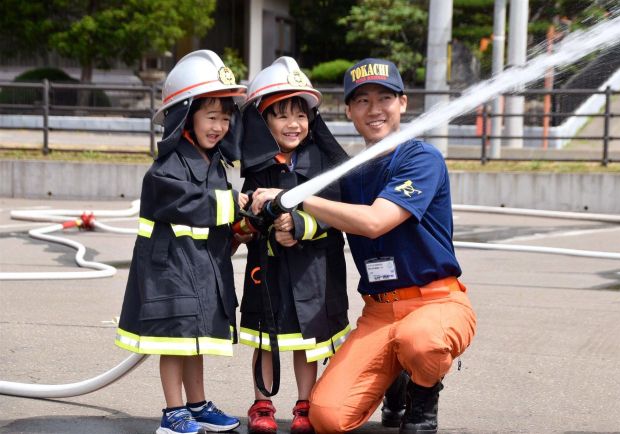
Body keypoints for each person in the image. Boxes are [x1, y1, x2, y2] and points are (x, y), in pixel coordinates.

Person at [251, 58, 477, 434]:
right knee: (327, 417)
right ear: (349, 111)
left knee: (420, 341)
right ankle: (397, 378)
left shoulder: (421, 158)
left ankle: (421, 404)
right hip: (378, 313)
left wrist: (293, 197)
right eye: (362, 101)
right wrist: (287, 224)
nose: (374, 110)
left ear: (403, 103)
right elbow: (326, 217)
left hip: (436, 301)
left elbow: (374, 222)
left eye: (384, 98)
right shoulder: (350, 173)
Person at [115, 50, 248, 434]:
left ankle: (197, 404)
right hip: (171, 271)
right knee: (174, 343)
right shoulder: (167, 167)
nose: (219, 126)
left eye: (225, 118)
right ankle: (174, 412)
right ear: (186, 116)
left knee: (197, 341)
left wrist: (241, 227)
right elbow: (189, 205)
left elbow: (217, 217)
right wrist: (231, 204)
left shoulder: (214, 163)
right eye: (211, 116)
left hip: (200, 269)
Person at [234, 56, 349, 434]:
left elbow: (337, 212)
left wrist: (302, 223)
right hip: (268, 269)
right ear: (264, 121)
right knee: (268, 338)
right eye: (281, 116)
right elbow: (251, 208)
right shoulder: (257, 164)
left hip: (314, 267)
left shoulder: (322, 161)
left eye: (300, 115)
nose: (293, 124)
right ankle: (261, 403)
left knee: (307, 342)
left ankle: (305, 402)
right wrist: (253, 218)